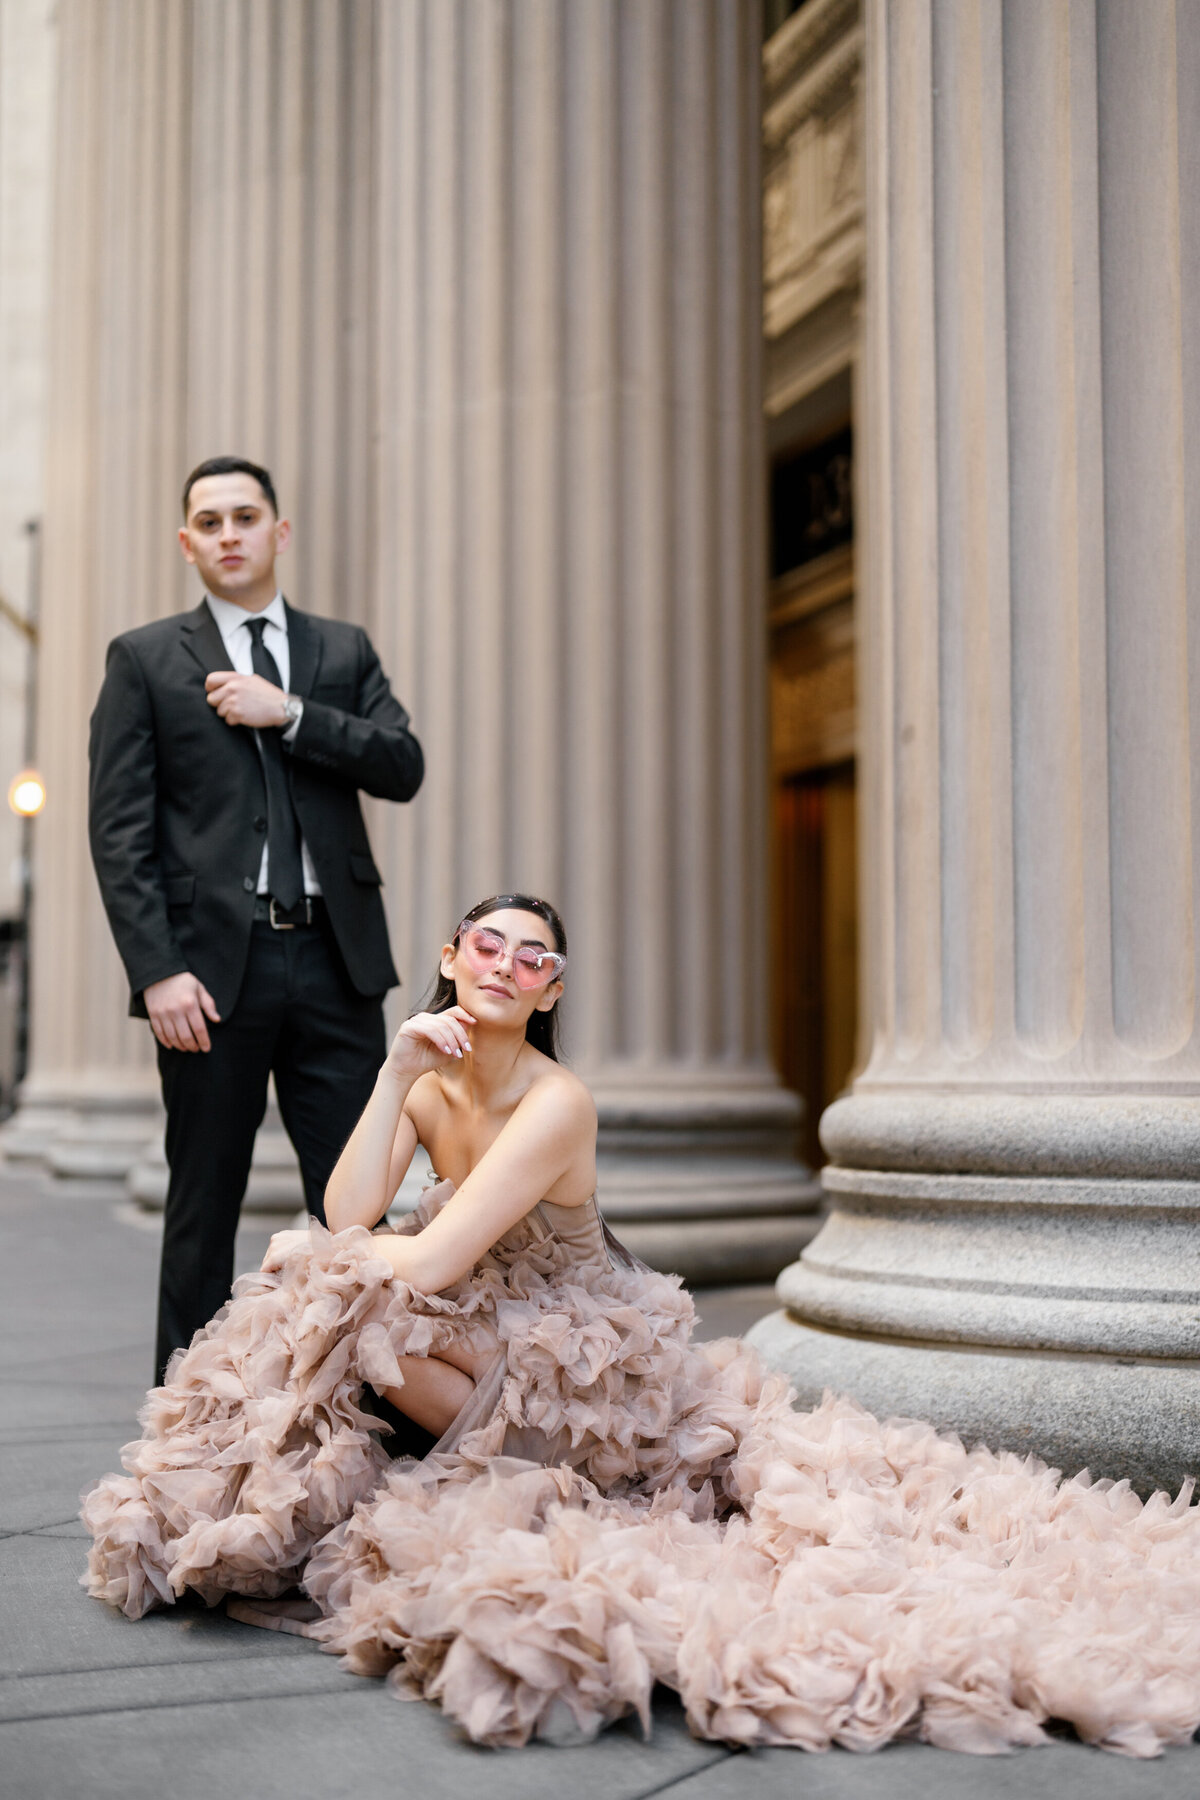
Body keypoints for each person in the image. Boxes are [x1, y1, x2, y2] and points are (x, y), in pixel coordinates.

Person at [82, 895, 1200, 1758]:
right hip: (475, 1320)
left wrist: (333, 1261)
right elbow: (348, 1207)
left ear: (551, 989)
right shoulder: (435, 1072)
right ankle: (318, 1485)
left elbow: (421, 1256)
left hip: (575, 1352)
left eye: (536, 959)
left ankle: (510, 1471)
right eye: (488, 945)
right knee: (330, 1282)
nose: (507, 968)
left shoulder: (555, 1100)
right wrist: (394, 1070)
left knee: (342, 1295)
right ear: (448, 956)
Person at [87, 455, 423, 1384]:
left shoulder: (339, 651)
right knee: (202, 1204)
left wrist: (294, 714)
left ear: (279, 532)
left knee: (359, 1204)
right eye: (210, 520)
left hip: (335, 963)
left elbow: (402, 763)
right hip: (205, 979)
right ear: (187, 542)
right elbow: (118, 832)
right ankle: (185, 1420)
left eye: (246, 516)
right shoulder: (146, 659)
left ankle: (375, 1408)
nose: (229, 534)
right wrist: (156, 968)